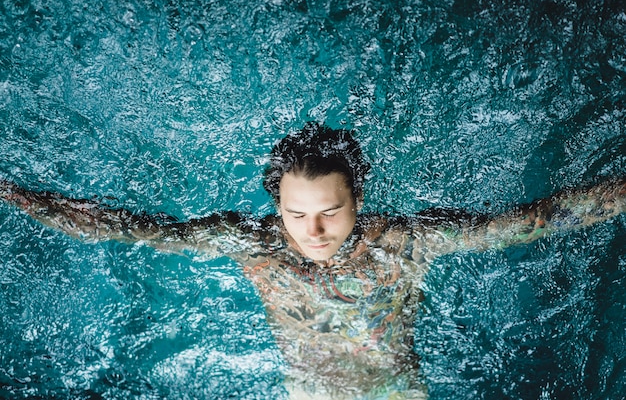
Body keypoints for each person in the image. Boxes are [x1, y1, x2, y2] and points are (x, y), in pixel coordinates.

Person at [1, 122, 625, 400]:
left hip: (395, 394)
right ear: (277, 204)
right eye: (296, 215)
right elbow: (132, 231)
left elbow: (538, 219)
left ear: (360, 197)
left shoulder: (407, 241)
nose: (314, 231)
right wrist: (21, 200)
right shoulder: (251, 243)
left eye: (330, 211)